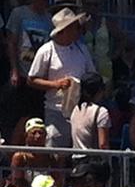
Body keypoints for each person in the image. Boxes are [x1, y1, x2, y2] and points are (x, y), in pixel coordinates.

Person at [26, 8, 96, 147]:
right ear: (65, 30)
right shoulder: (46, 50)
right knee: (55, 147)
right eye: (74, 28)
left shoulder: (82, 50)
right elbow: (32, 79)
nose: (77, 31)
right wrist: (55, 84)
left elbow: (92, 74)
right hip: (56, 108)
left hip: (80, 109)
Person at [4, 0, 53, 138]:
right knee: (19, 116)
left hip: (39, 77)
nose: (41, 2)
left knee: (36, 117)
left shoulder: (49, 19)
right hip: (22, 73)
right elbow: (11, 42)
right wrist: (14, 70)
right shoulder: (19, 14)